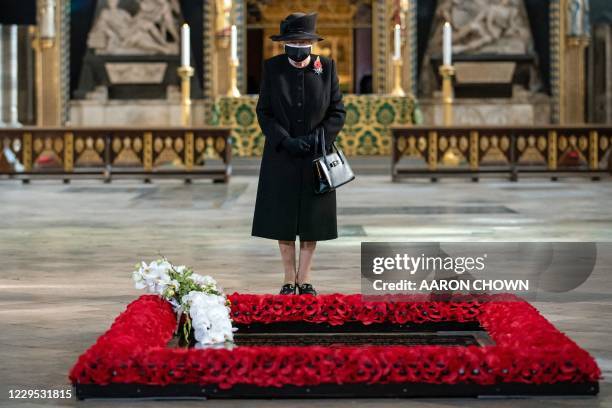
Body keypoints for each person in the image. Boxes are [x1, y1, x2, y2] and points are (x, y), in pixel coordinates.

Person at [251, 12, 346, 295]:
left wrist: (320, 137)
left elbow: (337, 111)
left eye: (303, 40)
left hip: (317, 156)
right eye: (293, 40)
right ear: (284, 44)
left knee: (312, 222)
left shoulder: (326, 67)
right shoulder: (273, 68)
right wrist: (285, 140)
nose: (298, 45)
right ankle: (287, 279)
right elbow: (264, 112)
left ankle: (304, 280)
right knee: (283, 219)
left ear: (312, 43)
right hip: (282, 156)